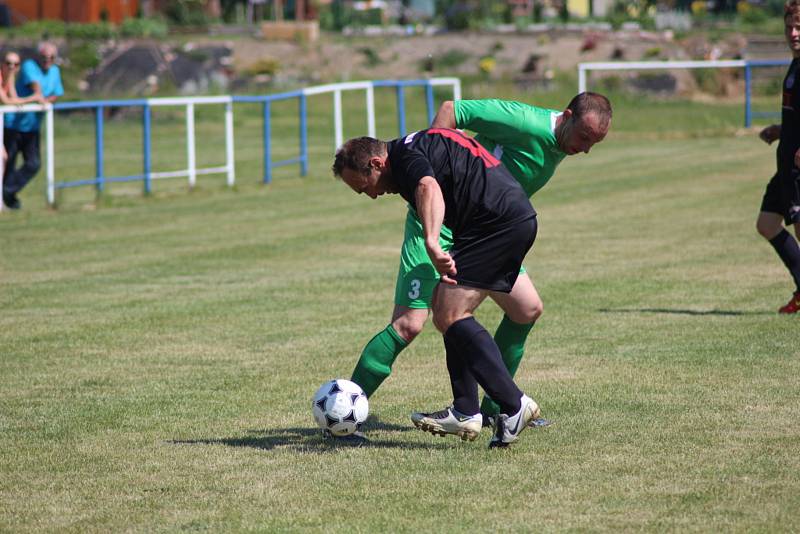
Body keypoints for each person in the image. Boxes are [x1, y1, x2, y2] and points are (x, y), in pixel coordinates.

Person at [347, 93, 612, 426]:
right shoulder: (524, 120)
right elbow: (452, 110)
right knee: (410, 323)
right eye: (584, 137)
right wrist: (430, 177)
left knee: (525, 310)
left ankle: (494, 411)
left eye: (593, 143)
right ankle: (345, 408)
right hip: (441, 224)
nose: (585, 148)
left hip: (488, 229)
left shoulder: (561, 141)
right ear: (567, 115)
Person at [333, 130, 542, 448]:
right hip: (514, 216)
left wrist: (431, 240)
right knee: (522, 308)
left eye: (366, 187)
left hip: (493, 224)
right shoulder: (415, 145)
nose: (371, 196)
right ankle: (466, 410)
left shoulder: (404, 158)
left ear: (376, 163)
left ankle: (513, 405)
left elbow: (427, 186)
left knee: (447, 314)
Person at [756, 0, 800, 313]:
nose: (793, 33)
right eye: (789, 27)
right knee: (767, 224)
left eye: (799, 28)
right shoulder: (796, 63)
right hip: (785, 163)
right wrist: (781, 129)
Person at [2, 42, 63, 210]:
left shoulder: (55, 71)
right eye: (44, 57)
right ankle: (8, 199)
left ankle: (7, 192)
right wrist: (38, 96)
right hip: (12, 125)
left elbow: (55, 94)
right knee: (8, 163)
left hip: (32, 127)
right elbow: (35, 86)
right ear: (38, 56)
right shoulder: (29, 65)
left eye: (51, 58)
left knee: (33, 163)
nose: (47, 61)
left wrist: (45, 100)